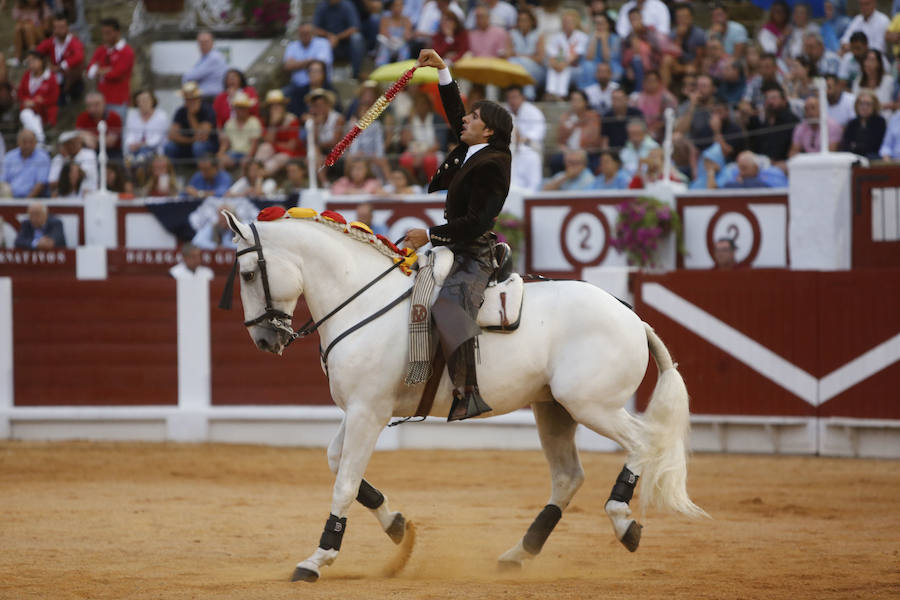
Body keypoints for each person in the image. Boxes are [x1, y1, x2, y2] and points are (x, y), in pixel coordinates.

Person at [402, 48, 513, 422]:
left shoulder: (494, 164)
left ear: (490, 130)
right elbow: (455, 113)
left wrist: (430, 234)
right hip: (458, 243)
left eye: (475, 117)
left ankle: (469, 393)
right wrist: (443, 71)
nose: (466, 120)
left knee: (450, 305)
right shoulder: (475, 148)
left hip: (475, 251)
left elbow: (477, 223)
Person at [86, 18, 135, 123]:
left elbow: (116, 74)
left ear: (117, 32)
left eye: (108, 33)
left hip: (118, 101)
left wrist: (99, 71)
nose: (105, 37)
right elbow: (90, 71)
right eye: (103, 33)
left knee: (117, 131)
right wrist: (106, 70)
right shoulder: (101, 50)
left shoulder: (126, 51)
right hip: (100, 102)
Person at [35, 13, 85, 103]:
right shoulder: (51, 42)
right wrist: (46, 64)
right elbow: (37, 52)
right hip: (55, 78)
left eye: (62, 27)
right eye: (57, 28)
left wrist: (61, 66)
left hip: (71, 79)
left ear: (67, 28)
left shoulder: (74, 42)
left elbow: (79, 56)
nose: (59, 30)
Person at [165, 81, 218, 165]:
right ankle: (172, 174)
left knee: (198, 146)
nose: (189, 101)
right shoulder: (180, 111)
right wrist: (191, 140)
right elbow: (172, 135)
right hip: (187, 144)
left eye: (192, 98)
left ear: (199, 98)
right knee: (169, 147)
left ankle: (202, 172)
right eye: (187, 99)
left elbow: (202, 137)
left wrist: (191, 115)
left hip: (208, 146)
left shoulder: (208, 110)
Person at [284, 22, 333, 111]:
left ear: (313, 32)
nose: (305, 35)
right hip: (297, 86)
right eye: (302, 33)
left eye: (307, 33)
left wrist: (297, 63)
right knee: (283, 97)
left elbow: (321, 63)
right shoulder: (292, 46)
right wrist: (310, 60)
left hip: (321, 85)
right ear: (298, 33)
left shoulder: (323, 43)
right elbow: (287, 66)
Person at [747, 84, 799, 169]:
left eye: (774, 98)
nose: (770, 102)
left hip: (783, 165)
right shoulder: (760, 122)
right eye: (767, 99)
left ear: (784, 101)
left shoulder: (792, 121)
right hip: (761, 164)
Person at [550, 89, 601, 174]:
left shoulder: (593, 117)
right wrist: (567, 152)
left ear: (585, 102)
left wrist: (579, 153)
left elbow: (593, 140)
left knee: (591, 163)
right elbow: (560, 141)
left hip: (586, 152)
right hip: (568, 152)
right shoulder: (565, 117)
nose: (575, 103)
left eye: (578, 100)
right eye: (573, 100)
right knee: (555, 161)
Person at [254, 89, 302, 177]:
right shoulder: (267, 120)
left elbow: (291, 146)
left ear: (283, 106)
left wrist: (275, 145)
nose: (275, 108)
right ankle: (254, 170)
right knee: (264, 147)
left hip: (289, 154)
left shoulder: (291, 120)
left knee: (280, 157)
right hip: (274, 150)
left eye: (278, 104)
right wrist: (273, 124)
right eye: (272, 106)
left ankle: (258, 175)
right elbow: (268, 141)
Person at [312, 0, 365, 79]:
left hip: (346, 45)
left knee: (357, 38)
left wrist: (337, 38)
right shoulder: (321, 6)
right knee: (317, 41)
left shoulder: (347, 5)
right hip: (328, 44)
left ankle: (356, 73)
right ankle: (322, 78)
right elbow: (315, 29)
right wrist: (329, 36)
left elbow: (355, 28)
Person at [543, 9, 587, 100]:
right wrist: (555, 64)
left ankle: (561, 95)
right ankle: (551, 93)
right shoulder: (556, 37)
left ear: (576, 23)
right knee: (553, 69)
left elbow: (576, 56)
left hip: (576, 68)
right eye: (565, 21)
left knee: (564, 70)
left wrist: (563, 64)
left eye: (570, 21)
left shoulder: (582, 36)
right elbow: (551, 55)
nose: (567, 24)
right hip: (559, 64)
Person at [17, 50, 59, 143]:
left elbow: (53, 98)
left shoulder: (50, 77)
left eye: (33, 61)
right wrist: (27, 101)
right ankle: (41, 140)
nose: (31, 64)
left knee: (26, 116)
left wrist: (39, 101)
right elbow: (20, 93)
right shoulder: (27, 75)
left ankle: (39, 140)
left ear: (41, 61)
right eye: (29, 62)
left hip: (45, 111)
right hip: (29, 109)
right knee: (27, 115)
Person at [123, 89, 168, 171]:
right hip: (135, 149)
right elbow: (129, 135)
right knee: (129, 159)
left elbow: (157, 139)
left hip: (154, 150)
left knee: (142, 156)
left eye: (145, 100)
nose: (142, 103)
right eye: (139, 100)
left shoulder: (161, 116)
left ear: (152, 101)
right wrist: (131, 144)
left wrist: (141, 144)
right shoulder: (132, 115)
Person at [217, 90, 263, 170]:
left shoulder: (254, 122)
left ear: (248, 108)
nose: (241, 110)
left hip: (246, 153)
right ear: (234, 109)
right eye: (239, 107)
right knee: (220, 161)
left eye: (244, 107)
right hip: (233, 153)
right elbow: (225, 143)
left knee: (246, 163)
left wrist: (248, 157)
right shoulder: (229, 123)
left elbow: (254, 145)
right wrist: (221, 154)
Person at [0, 129, 50, 198]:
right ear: (18, 142)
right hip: (10, 198)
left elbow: (41, 183)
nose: (27, 146)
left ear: (35, 142)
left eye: (31, 142)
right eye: (24, 142)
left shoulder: (42, 157)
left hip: (34, 200)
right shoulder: (9, 157)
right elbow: (2, 180)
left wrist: (26, 201)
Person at [508, 8, 545, 100]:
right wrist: (528, 57)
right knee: (512, 62)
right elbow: (508, 55)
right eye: (520, 20)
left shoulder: (538, 34)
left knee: (524, 64)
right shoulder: (512, 34)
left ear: (532, 21)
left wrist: (521, 57)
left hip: (536, 70)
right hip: (516, 69)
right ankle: (527, 95)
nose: (523, 23)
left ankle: (528, 96)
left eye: (525, 20)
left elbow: (540, 59)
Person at [181, 31, 228, 104]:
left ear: (212, 43)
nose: (203, 44)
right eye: (200, 42)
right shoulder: (205, 58)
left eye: (206, 42)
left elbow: (190, 77)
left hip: (210, 99)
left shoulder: (214, 57)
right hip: (204, 98)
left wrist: (186, 78)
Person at [630, 70, 676, 142]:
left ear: (659, 82)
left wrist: (656, 128)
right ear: (643, 82)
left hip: (662, 132)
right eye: (648, 81)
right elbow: (632, 117)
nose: (650, 83)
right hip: (641, 131)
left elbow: (671, 118)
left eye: (653, 81)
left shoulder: (667, 97)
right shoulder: (636, 98)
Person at [49, 130, 97, 196]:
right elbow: (52, 183)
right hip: (65, 196)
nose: (71, 146)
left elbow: (79, 175)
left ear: (79, 141)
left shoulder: (89, 154)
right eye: (67, 143)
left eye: (73, 142)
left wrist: (68, 162)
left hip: (86, 196)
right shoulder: (58, 158)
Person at [75, 91, 123, 157]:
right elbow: (78, 137)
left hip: (112, 152)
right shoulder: (82, 117)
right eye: (89, 105)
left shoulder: (114, 117)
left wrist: (90, 137)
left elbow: (111, 142)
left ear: (104, 103)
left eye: (96, 104)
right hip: (89, 152)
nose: (92, 109)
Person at [839, 91, 885, 159]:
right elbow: (845, 145)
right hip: (852, 158)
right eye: (861, 103)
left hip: (871, 160)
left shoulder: (880, 122)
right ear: (856, 105)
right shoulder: (852, 123)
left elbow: (874, 146)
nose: (864, 107)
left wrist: (855, 146)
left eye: (868, 104)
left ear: (874, 106)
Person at [504, 85, 545, 152]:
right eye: (509, 98)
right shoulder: (504, 110)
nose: (512, 101)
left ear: (522, 98)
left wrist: (521, 139)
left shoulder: (533, 111)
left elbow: (539, 132)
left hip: (529, 143)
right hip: (509, 143)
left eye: (514, 97)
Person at [11, 0, 51, 67]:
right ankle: (17, 58)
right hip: (24, 34)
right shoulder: (20, 7)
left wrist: (33, 25)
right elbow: (18, 23)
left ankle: (32, 55)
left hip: (39, 35)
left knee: (28, 27)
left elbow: (46, 28)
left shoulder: (43, 8)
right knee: (19, 27)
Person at [375, 0, 412, 67]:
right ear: (391, 7)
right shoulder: (385, 19)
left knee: (404, 50)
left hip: (401, 44)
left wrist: (405, 37)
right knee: (384, 50)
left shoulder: (406, 20)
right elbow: (383, 32)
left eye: (401, 5)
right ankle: (381, 68)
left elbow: (407, 34)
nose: (398, 8)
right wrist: (391, 40)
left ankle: (402, 69)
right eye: (396, 5)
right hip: (388, 44)